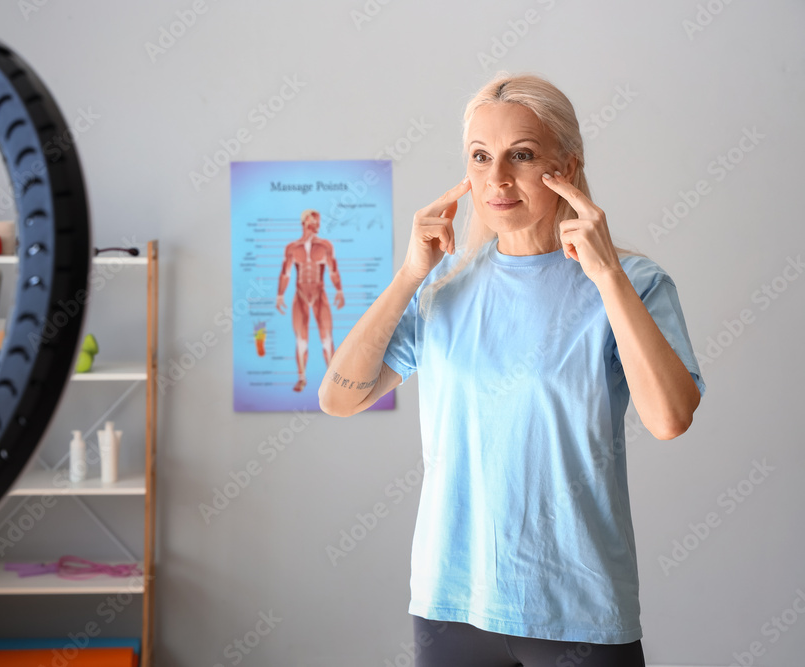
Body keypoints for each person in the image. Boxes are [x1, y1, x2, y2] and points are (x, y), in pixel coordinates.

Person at [317, 72, 705, 667]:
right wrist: (408, 276)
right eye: (480, 158)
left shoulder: (636, 285)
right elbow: (338, 398)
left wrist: (607, 277)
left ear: (567, 166)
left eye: (520, 155)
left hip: (579, 608)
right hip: (450, 605)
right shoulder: (443, 295)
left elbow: (670, 418)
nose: (496, 179)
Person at [277, 208, 345, 392]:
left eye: (319, 221)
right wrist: (280, 294)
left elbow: (333, 270)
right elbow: (285, 273)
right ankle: (301, 378)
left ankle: (333, 380)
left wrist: (339, 290)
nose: (318, 224)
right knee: (301, 339)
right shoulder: (292, 248)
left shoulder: (325, 246)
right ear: (306, 220)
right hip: (300, 294)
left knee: (327, 337)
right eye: (315, 220)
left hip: (319, 293)